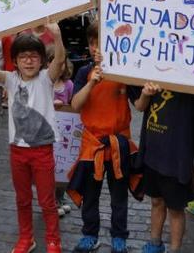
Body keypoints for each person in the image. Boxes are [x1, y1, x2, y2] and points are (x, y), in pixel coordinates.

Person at [0, 25, 66, 253]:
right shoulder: (9, 79)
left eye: (34, 57)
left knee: (47, 201)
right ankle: (26, 238)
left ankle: (53, 240)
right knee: (22, 199)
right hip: (18, 150)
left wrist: (56, 36)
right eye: (23, 57)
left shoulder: (47, 78)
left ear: (41, 61)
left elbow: (59, 59)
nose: (29, 61)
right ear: (15, 61)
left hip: (42, 149)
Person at [68, 22, 142, 253]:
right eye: (92, 43)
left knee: (119, 196)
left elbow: (139, 105)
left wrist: (147, 93)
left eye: (101, 42)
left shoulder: (124, 73)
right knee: (91, 196)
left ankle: (119, 236)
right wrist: (92, 82)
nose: (96, 47)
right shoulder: (83, 72)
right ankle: (90, 234)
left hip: (119, 146)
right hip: (93, 145)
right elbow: (75, 104)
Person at [134, 79, 194, 253]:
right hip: (152, 152)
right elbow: (140, 106)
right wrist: (145, 93)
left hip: (177, 157)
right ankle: (155, 243)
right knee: (156, 201)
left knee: (175, 208)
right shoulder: (152, 76)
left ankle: (175, 248)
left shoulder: (191, 82)